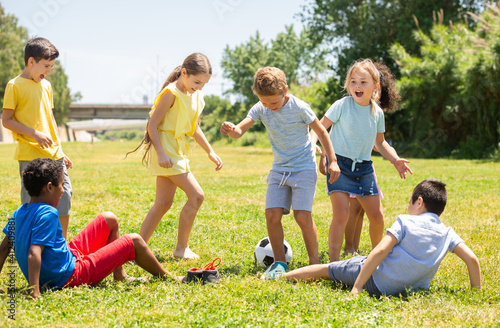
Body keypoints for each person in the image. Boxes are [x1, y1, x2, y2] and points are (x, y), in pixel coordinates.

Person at [0, 158, 183, 299]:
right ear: (49, 187)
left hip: (67, 259)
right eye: (61, 184)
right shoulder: (48, 213)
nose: (63, 190)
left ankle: (119, 275)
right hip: (69, 277)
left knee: (109, 219)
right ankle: (168, 276)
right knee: (134, 241)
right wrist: (35, 292)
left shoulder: (19, 212)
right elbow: (34, 252)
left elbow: (3, 248)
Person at [220, 66, 340, 279]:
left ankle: (314, 265)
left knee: (302, 216)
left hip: (303, 167)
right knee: (271, 215)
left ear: (285, 91)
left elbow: (321, 131)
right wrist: (230, 129)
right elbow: (239, 132)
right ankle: (279, 264)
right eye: (265, 103)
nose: (270, 108)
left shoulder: (299, 107)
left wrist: (332, 160)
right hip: (279, 169)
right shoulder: (261, 107)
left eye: (273, 103)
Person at [284, 179, 482, 296]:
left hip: (377, 282)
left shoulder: (406, 222)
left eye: (410, 203)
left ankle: (280, 277)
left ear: (419, 202)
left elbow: (379, 250)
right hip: (410, 290)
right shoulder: (447, 233)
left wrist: (358, 287)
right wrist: (475, 293)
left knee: (327, 269)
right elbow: (472, 260)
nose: (408, 207)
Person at [311, 58, 412, 262]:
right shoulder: (342, 105)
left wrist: (396, 160)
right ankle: (334, 263)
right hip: (338, 165)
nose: (358, 86)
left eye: (363, 82)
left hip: (364, 169)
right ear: (348, 85)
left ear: (375, 86)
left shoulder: (377, 112)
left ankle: (377, 259)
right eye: (353, 81)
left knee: (377, 216)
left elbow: (381, 142)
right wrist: (318, 149)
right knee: (341, 215)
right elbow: (321, 128)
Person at [127, 53, 223, 260]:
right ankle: (181, 248)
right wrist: (160, 152)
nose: (199, 87)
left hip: (177, 152)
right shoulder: (171, 93)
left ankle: (135, 249)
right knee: (197, 195)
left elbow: (195, 129)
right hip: (165, 151)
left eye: (204, 84)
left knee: (163, 203)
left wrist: (210, 151)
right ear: (184, 73)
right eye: (196, 81)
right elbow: (152, 125)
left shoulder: (195, 95)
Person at [1, 37, 73, 239]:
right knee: (31, 204)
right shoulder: (14, 85)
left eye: (51, 66)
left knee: (64, 195)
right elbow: (6, 120)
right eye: (46, 66)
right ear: (31, 62)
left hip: (53, 154)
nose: (49, 71)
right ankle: (27, 245)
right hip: (29, 155)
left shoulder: (47, 86)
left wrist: (60, 150)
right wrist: (33, 133)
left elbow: (50, 120)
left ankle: (61, 244)